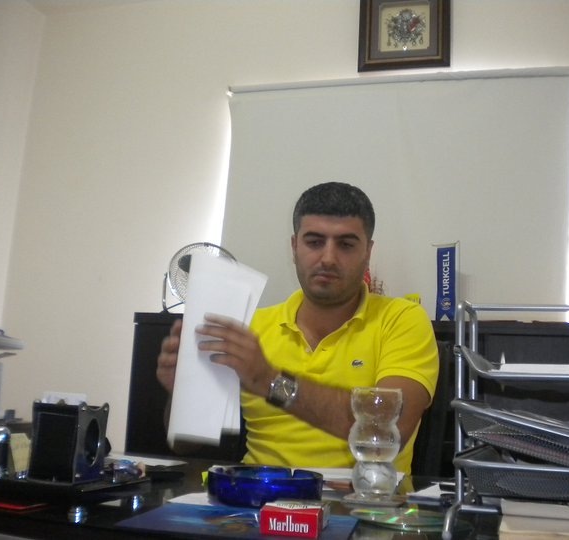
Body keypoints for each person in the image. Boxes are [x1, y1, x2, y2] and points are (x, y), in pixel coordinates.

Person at [157, 182, 439, 473]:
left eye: (346, 245)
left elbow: (385, 434)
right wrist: (181, 395)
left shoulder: (402, 319)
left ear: (368, 252)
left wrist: (269, 380)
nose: (328, 258)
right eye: (314, 242)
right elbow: (185, 445)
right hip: (257, 494)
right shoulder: (250, 328)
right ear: (294, 247)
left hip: (365, 497)